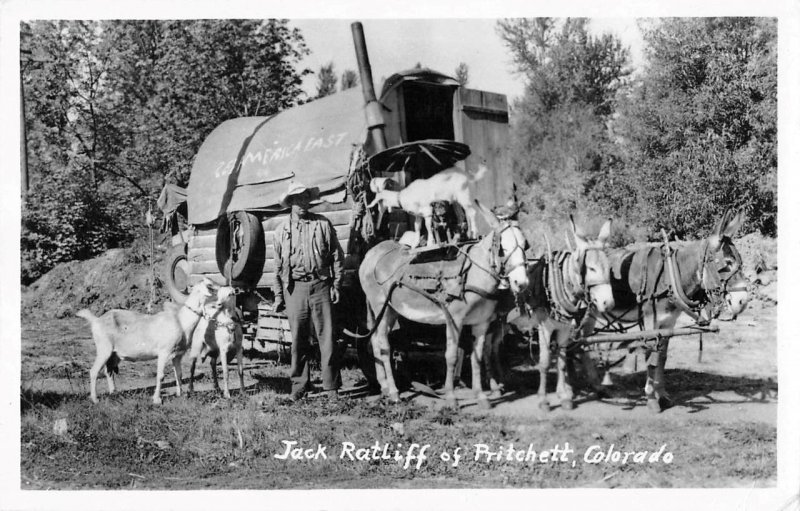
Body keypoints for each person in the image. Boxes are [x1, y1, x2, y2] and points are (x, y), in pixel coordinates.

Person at [273, 181, 344, 401]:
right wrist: (278, 295)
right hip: (294, 288)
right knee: (298, 340)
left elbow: (336, 257)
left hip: (321, 285)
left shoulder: (322, 224)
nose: (303, 203)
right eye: (298, 200)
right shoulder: (281, 230)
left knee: (327, 338)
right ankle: (299, 386)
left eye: (305, 198)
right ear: (291, 203)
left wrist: (336, 285)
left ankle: (331, 388)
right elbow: (276, 265)